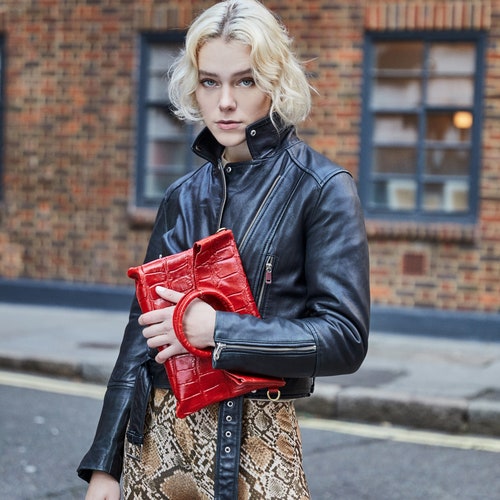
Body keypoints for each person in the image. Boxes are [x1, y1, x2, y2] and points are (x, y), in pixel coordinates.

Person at [78, 0, 370, 498]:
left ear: (275, 84)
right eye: (211, 82)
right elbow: (139, 337)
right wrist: (106, 464)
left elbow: (344, 337)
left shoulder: (321, 188)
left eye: (246, 81)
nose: (225, 102)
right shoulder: (182, 195)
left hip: (252, 438)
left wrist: (217, 330)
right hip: (157, 440)